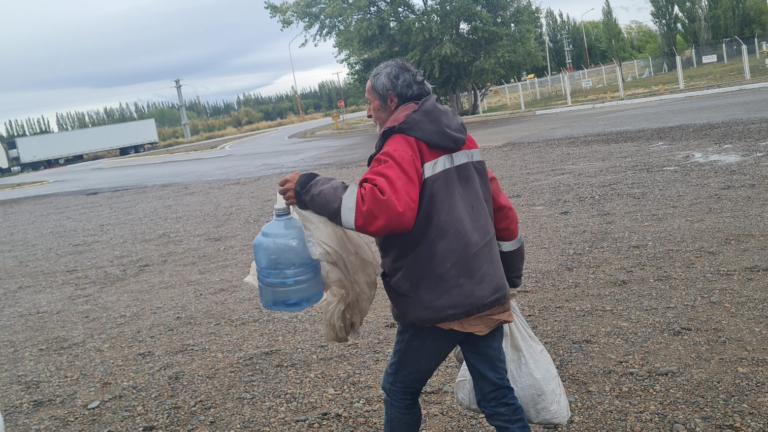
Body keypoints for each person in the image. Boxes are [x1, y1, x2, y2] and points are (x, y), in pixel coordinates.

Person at [278, 59, 529, 432]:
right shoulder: (463, 138)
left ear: (391, 100)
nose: (367, 112)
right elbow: (503, 212)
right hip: (484, 296)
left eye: (370, 102)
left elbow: (380, 208)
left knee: (398, 389)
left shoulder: (401, 143)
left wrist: (309, 188)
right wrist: (507, 278)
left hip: (439, 301)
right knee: (495, 393)